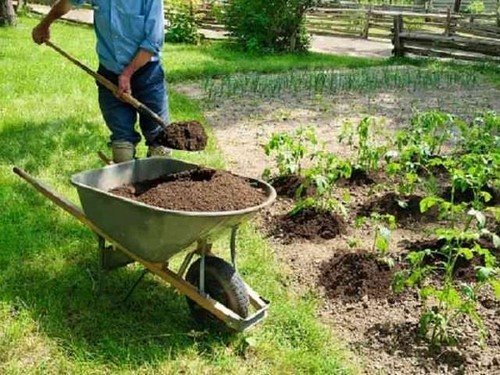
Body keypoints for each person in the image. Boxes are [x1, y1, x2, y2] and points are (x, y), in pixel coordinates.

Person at [32, 0, 170, 162]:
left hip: (147, 75)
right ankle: (126, 181)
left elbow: (154, 41)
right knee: (122, 148)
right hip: (109, 75)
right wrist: (44, 24)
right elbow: (67, 3)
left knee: (159, 144)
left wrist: (127, 74)